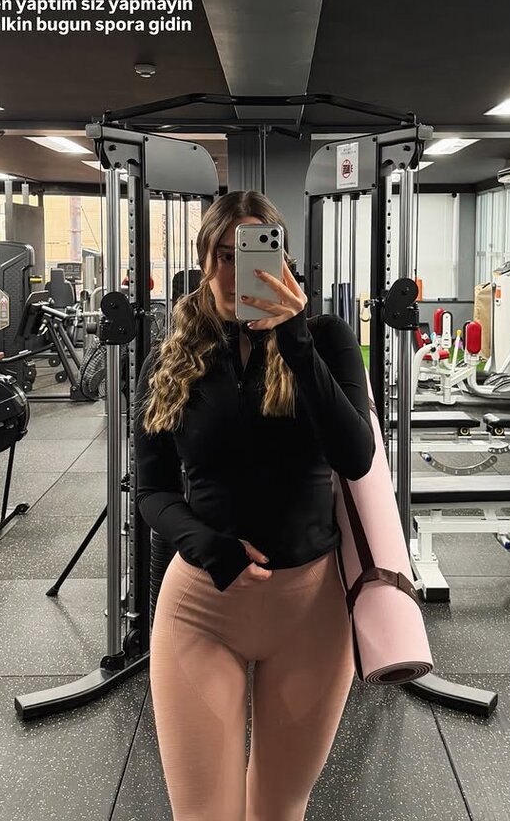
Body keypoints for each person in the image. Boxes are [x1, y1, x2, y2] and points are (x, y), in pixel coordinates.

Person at [134, 190, 375, 821]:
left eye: (255, 254)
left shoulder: (325, 339)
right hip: (201, 608)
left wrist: (294, 338)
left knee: (279, 809)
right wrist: (207, 546)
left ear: (282, 260)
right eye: (224, 255)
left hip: (310, 613)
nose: (238, 272)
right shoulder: (169, 357)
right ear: (203, 259)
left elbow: (354, 457)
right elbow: (153, 489)